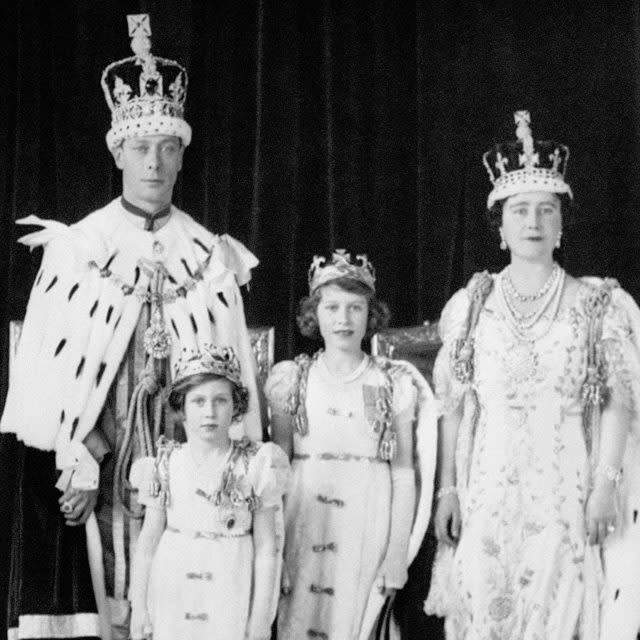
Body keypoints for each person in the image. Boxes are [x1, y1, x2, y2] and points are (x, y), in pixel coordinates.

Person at [0, 13, 261, 640]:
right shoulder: (78, 248)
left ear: (182, 155)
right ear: (118, 150)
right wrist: (79, 456)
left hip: (185, 459)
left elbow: (231, 381)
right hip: (99, 457)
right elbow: (48, 381)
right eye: (142, 148)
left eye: (168, 148)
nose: (155, 163)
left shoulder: (209, 254)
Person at [424, 110, 640, 639]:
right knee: (484, 602)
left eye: (546, 211)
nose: (534, 222)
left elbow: (617, 400)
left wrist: (605, 488)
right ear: (500, 226)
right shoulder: (471, 304)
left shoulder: (596, 304)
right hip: (488, 487)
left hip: (564, 484)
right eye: (520, 211)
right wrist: (447, 490)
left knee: (558, 604)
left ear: (562, 225)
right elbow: (453, 404)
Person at [265, 250, 437, 639]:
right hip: (302, 522)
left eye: (355, 308)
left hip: (366, 521)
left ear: (370, 314)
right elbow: (275, 473)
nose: (343, 319)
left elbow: (404, 474)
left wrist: (397, 553)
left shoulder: (394, 384)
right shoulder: (292, 380)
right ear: (315, 313)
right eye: (332, 308)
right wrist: (277, 553)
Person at [128, 345, 288, 640]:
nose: (209, 412)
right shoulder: (165, 464)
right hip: (174, 588)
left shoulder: (256, 464)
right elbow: (148, 543)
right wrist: (139, 608)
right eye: (198, 401)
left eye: (220, 401)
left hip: (230, 588)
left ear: (236, 406)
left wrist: (260, 618)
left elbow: (267, 548)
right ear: (181, 407)